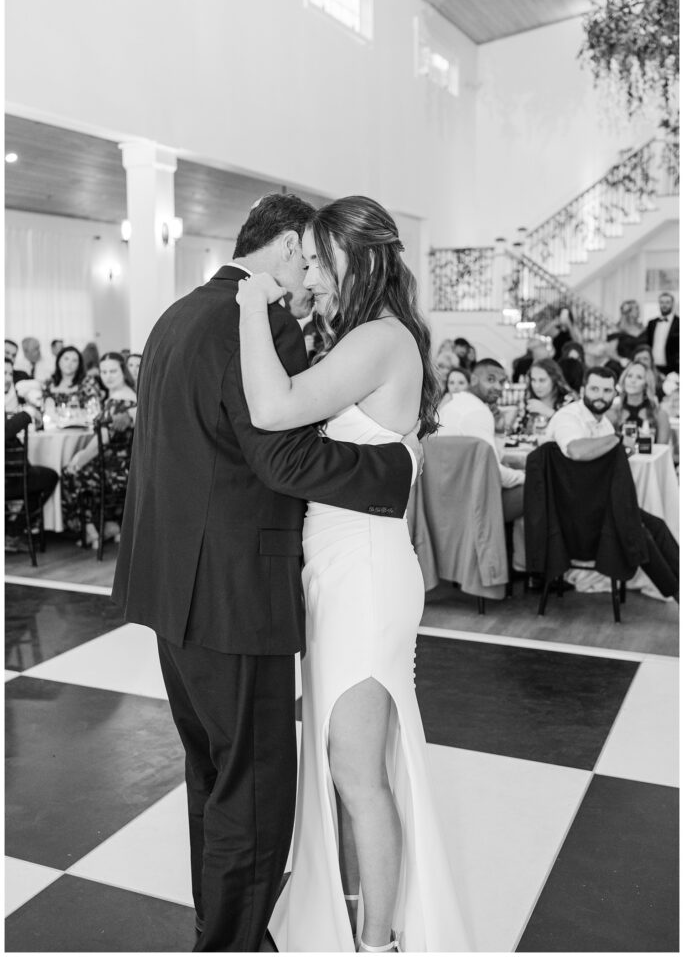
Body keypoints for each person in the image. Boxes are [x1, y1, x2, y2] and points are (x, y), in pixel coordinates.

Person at [111, 193, 422, 954]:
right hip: (232, 595)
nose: (308, 271)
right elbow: (280, 457)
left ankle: (218, 930)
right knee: (251, 792)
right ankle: (233, 944)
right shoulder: (257, 320)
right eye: (306, 254)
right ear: (284, 244)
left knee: (212, 778)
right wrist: (394, 470)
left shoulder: (176, 315)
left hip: (172, 588)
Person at [236, 195, 467, 953]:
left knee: (358, 775)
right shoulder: (375, 337)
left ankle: (377, 944)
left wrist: (248, 301)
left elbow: (272, 411)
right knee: (351, 769)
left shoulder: (377, 339)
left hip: (362, 576)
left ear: (357, 260)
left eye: (320, 263)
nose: (312, 277)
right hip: (346, 569)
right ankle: (362, 923)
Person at [545, 366, 678, 599]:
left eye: (607, 391)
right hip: (570, 513)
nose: (600, 396)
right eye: (594, 389)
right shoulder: (570, 417)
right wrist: (616, 439)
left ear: (614, 394)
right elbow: (576, 450)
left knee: (656, 525)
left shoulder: (604, 423)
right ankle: (678, 596)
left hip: (600, 504)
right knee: (639, 532)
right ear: (583, 389)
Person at [60, 352, 136, 549]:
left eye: (113, 371)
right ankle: (107, 525)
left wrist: (79, 460)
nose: (108, 376)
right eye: (104, 372)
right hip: (127, 467)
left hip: (116, 471)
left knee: (70, 473)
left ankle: (91, 531)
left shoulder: (117, 401)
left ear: (123, 372)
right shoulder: (131, 396)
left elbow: (101, 442)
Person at [439, 358, 525, 522]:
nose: (498, 388)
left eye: (502, 382)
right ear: (473, 380)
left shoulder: (455, 403)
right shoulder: (477, 411)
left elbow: (491, 461)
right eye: (491, 380)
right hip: (466, 503)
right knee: (537, 486)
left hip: (445, 493)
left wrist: (499, 431)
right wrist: (524, 475)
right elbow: (493, 471)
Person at [5, 400, 59, 552]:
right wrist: (27, 413)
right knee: (49, 477)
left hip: (12, 476)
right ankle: (12, 532)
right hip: (8, 480)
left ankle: (11, 531)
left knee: (39, 477)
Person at [608, 360, 670, 444]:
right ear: (624, 379)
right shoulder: (612, 413)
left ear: (646, 384)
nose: (633, 381)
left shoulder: (659, 415)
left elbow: (663, 450)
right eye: (629, 376)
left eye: (639, 377)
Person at [513, 357, 576, 437]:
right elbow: (517, 433)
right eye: (533, 380)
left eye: (542, 380)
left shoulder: (568, 401)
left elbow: (572, 431)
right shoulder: (528, 400)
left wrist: (549, 413)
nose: (537, 386)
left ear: (554, 379)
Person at [43, 345, 102, 411]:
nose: (69, 363)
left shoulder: (88, 382)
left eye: (74, 360)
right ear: (59, 361)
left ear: (79, 364)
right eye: (66, 359)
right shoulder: (49, 383)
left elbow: (95, 408)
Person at [644, 291, 679, 374]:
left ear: (672, 304)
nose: (664, 305)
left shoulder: (680, 323)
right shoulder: (651, 323)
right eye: (662, 302)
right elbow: (648, 343)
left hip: (673, 367)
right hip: (653, 366)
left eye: (667, 302)